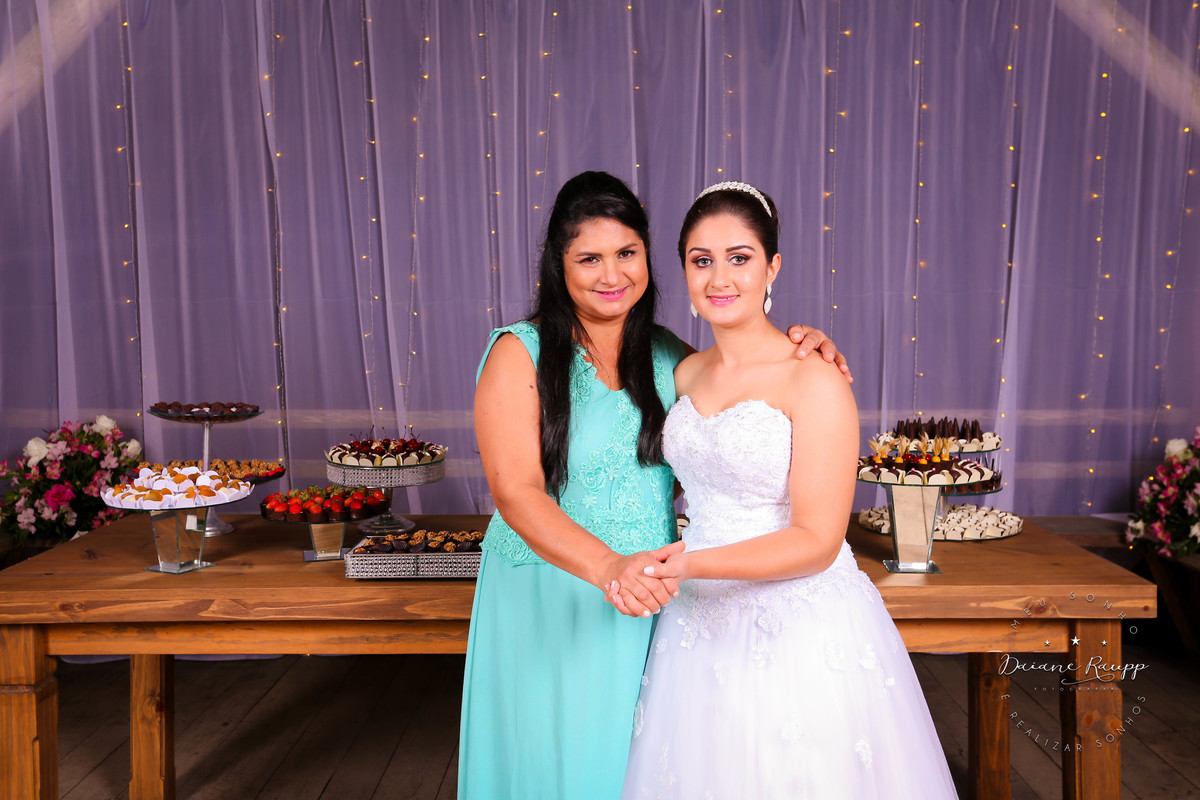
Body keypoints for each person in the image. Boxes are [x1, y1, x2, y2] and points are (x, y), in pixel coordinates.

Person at [461, 171, 849, 799]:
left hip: (658, 595)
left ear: (648, 257)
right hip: (552, 590)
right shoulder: (520, 353)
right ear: (558, 264)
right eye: (588, 258)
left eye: (627, 253)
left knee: (647, 767)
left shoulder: (672, 357)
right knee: (554, 764)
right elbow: (516, 492)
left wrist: (807, 342)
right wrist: (610, 568)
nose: (611, 274)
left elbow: (748, 382)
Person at [617, 182, 957, 798]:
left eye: (740, 257)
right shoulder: (686, 373)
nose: (720, 278)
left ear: (773, 266)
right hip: (695, 621)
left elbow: (817, 541)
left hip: (796, 620)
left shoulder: (815, 378)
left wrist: (690, 564)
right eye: (701, 260)